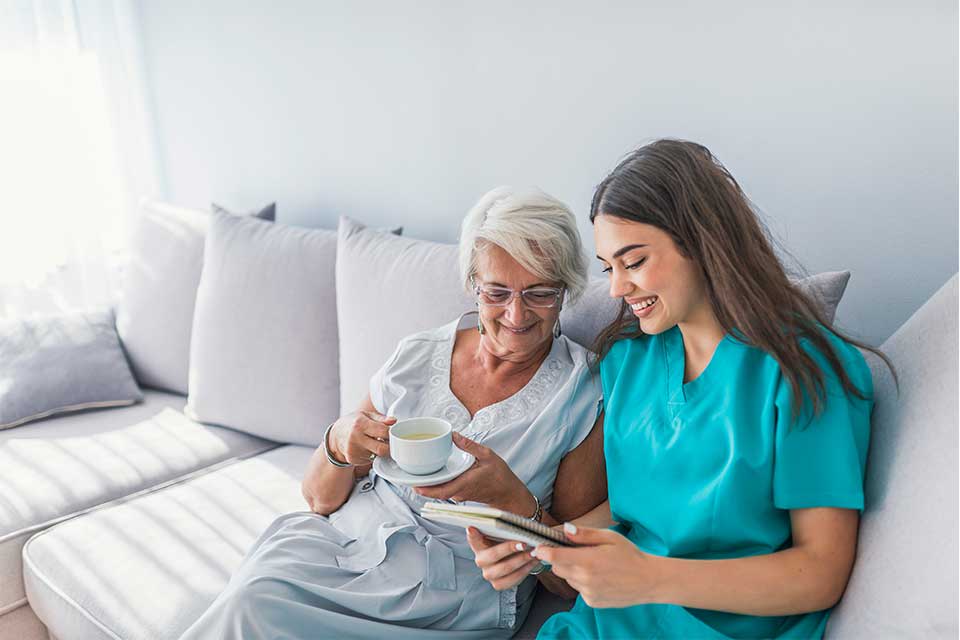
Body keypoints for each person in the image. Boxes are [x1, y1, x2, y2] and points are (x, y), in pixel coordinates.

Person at [469, 140, 894, 639]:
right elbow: (631, 515)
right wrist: (543, 549)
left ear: (701, 242)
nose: (617, 290)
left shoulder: (806, 370)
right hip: (606, 626)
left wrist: (651, 578)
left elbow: (820, 571)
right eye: (609, 268)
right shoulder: (628, 362)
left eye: (633, 262)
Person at [178, 186, 607, 639]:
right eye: (497, 292)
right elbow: (319, 499)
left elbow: (567, 582)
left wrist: (512, 502)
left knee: (257, 611)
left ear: (565, 292)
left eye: (539, 293)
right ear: (472, 285)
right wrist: (341, 440)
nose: (516, 314)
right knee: (255, 593)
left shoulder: (580, 393)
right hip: (345, 547)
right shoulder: (418, 355)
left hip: (449, 595)